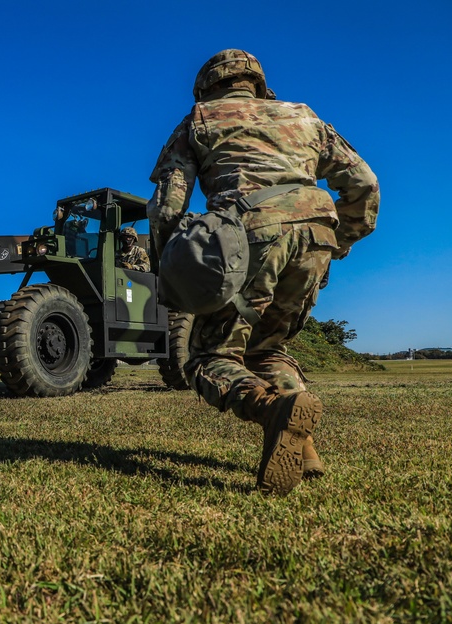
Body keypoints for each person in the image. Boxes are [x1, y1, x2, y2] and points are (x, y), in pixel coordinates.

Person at [147, 49, 380, 496]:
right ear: (258, 83)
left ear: (206, 87)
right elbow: (365, 184)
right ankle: (306, 449)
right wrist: (342, 241)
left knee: (208, 357)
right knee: (267, 345)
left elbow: (167, 207)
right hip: (316, 234)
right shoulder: (305, 117)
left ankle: (271, 410)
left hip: (248, 235)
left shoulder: (200, 118)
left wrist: (172, 268)